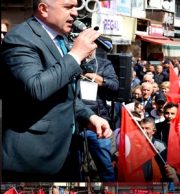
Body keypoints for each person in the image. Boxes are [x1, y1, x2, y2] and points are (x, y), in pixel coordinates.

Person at [1, 0, 112, 181]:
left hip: (65, 154)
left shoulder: (60, 39)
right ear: (43, 9)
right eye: (68, 7)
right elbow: (36, 88)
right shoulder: (20, 38)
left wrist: (89, 116)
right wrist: (75, 55)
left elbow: (64, 94)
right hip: (31, 161)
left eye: (76, 7)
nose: (75, 13)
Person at [80, 50, 119, 182]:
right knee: (75, 167)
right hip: (74, 122)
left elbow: (115, 86)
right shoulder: (71, 62)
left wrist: (98, 79)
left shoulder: (103, 64)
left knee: (105, 166)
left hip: (98, 123)